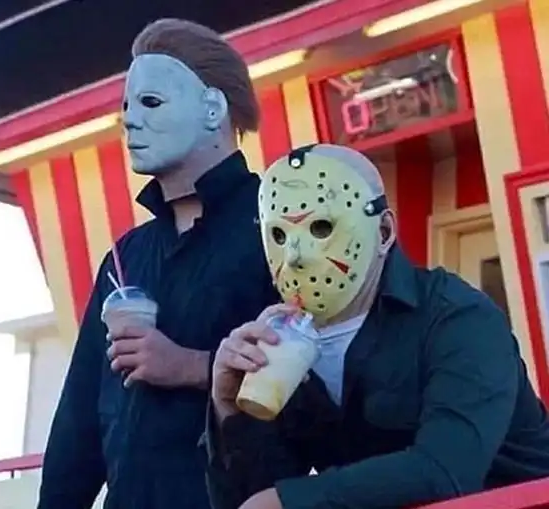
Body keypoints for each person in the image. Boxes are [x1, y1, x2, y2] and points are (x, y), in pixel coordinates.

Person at [206, 144, 549, 509]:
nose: (295, 256)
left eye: (321, 227)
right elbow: (251, 497)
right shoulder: (280, 343)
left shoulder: (458, 318)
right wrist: (229, 411)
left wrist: (290, 501)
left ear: (383, 231)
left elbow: (446, 471)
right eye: (279, 235)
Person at [37, 19, 279, 509]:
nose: (129, 121)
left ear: (213, 108)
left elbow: (332, 376)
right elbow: (77, 429)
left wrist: (191, 366)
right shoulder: (124, 259)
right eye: (126, 107)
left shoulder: (283, 229)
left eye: (150, 102)